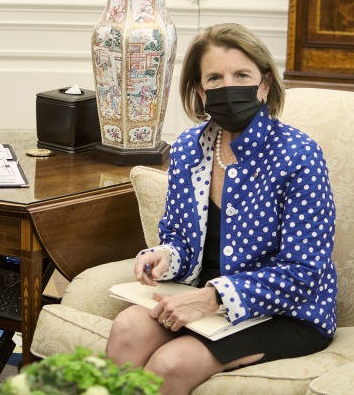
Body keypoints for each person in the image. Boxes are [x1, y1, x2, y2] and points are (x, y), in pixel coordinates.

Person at [104, 23, 337, 395]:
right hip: (198, 299)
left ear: (263, 85)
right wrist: (165, 255)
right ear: (200, 90)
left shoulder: (298, 154)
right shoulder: (187, 149)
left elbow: (303, 270)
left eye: (241, 75)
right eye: (215, 77)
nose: (229, 86)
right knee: (128, 328)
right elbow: (180, 237)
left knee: (171, 363)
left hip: (287, 312)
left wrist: (213, 297)